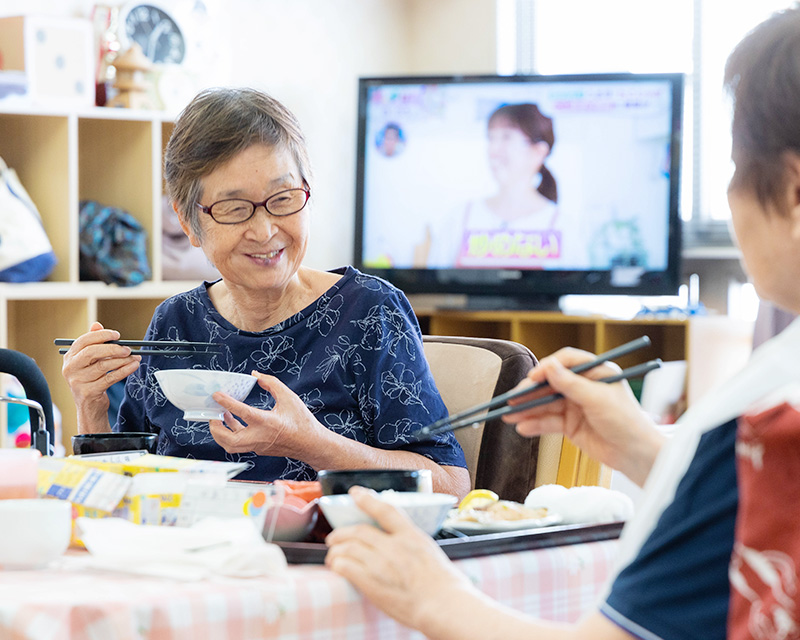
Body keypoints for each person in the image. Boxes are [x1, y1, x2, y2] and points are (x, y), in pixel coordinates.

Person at [325, 8, 800, 639]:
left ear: (792, 191)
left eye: (735, 168)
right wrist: (640, 446)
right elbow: (761, 512)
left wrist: (433, 596)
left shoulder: (769, 419)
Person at [61, 87, 469, 495]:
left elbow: (451, 484)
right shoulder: (176, 322)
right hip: (188, 554)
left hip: (330, 554)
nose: (265, 230)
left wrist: (313, 445)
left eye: (282, 199)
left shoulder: (368, 311)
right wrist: (91, 407)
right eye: (235, 209)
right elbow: (118, 492)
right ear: (188, 223)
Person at [424, 102, 561, 268]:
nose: (493, 150)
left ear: (538, 151)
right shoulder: (461, 217)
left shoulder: (561, 224)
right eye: (491, 138)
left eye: (506, 137)